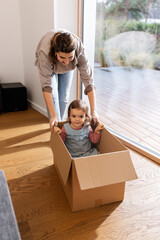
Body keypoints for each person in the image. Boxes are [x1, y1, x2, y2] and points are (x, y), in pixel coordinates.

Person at [35, 29, 98, 131]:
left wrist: (94, 111)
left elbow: (89, 82)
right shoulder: (45, 53)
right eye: (62, 57)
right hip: (50, 66)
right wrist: (53, 115)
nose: (67, 62)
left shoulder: (79, 49)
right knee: (54, 97)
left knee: (64, 97)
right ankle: (57, 127)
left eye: (70, 57)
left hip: (68, 68)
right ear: (55, 52)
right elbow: (46, 87)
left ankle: (60, 124)